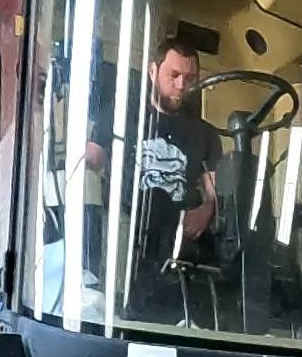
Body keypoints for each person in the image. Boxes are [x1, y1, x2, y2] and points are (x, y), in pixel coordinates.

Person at [85, 36, 221, 324]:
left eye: (190, 78)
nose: (182, 86)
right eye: (174, 75)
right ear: (152, 71)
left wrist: (206, 209)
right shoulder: (118, 115)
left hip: (177, 241)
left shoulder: (206, 134)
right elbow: (89, 165)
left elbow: (212, 191)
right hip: (123, 230)